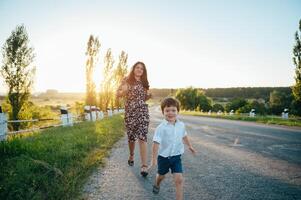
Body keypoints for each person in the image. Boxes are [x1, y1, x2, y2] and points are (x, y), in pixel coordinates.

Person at [149, 97, 196, 200]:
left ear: (178, 111)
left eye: (173, 110)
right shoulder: (161, 128)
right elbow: (156, 143)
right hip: (163, 158)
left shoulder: (181, 125)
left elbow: (184, 136)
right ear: (163, 112)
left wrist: (190, 146)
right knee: (161, 176)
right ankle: (157, 183)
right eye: (167, 110)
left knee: (179, 179)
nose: (170, 113)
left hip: (176, 157)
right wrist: (153, 159)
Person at [116, 61, 151, 177]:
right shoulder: (126, 80)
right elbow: (117, 94)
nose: (140, 69)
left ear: (143, 71)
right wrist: (123, 91)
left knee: (142, 137)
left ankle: (144, 166)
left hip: (142, 112)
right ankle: (131, 154)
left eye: (142, 68)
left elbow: (143, 98)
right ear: (133, 69)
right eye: (137, 67)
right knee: (131, 137)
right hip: (130, 112)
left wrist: (148, 96)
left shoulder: (145, 82)